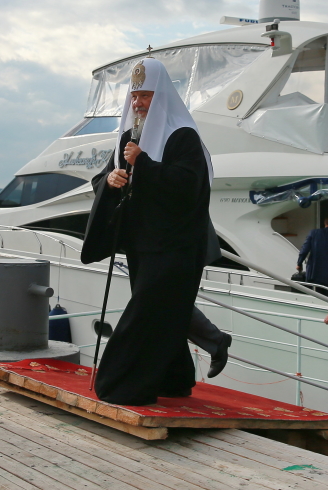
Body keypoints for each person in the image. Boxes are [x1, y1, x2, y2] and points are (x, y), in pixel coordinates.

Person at [81, 57, 227, 405]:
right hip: (142, 245)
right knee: (166, 312)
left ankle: (120, 384)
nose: (137, 103)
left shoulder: (182, 136)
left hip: (175, 245)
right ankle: (172, 380)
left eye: (144, 96)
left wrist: (142, 164)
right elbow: (102, 177)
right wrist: (111, 181)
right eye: (133, 96)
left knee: (148, 312)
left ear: (160, 96)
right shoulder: (129, 137)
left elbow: (190, 185)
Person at [296, 216, 328, 293]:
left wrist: (299, 263)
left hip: (314, 274)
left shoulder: (314, 233)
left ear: (325, 224)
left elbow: (304, 250)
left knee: (314, 297)